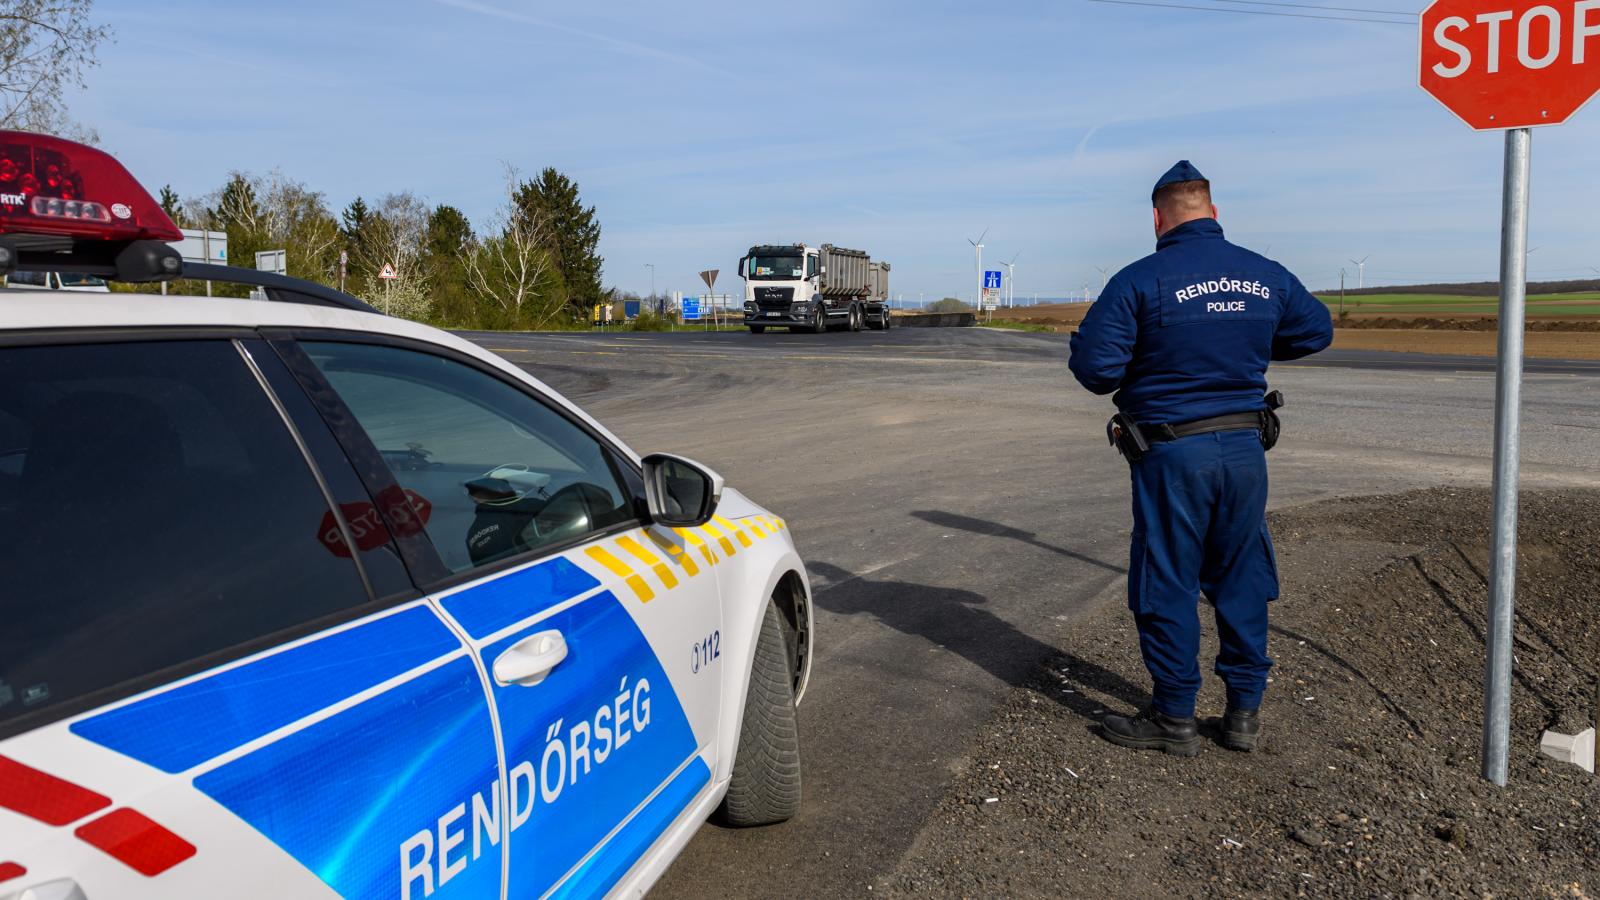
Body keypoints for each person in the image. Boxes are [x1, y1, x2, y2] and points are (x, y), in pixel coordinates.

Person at [1067, 160, 1333, 756]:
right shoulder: (1264, 274)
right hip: (1244, 449)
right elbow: (1315, 332)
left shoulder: (1139, 279)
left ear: (1157, 218)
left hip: (1172, 453)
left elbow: (1097, 370)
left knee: (1167, 577)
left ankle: (1174, 716)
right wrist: (1246, 346)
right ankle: (1243, 714)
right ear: (1213, 212)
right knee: (1242, 573)